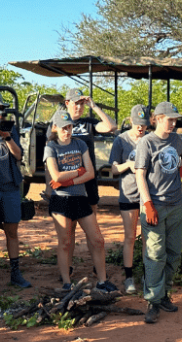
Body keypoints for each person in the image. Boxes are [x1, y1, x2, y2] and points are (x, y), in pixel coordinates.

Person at [44, 109, 117, 293]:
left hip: (81, 198)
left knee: (97, 239)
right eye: (63, 128)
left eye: (69, 127)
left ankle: (102, 280)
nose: (67, 131)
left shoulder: (80, 144)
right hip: (61, 200)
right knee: (65, 242)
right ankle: (67, 283)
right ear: (55, 128)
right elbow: (56, 176)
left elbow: (91, 173)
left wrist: (69, 180)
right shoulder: (51, 147)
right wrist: (78, 172)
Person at [134, 102, 182, 324]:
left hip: (176, 205)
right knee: (155, 255)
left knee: (174, 253)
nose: (174, 123)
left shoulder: (177, 139)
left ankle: (164, 294)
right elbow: (140, 174)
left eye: (175, 119)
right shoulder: (147, 142)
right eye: (170, 119)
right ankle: (153, 301)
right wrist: (148, 205)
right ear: (157, 119)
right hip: (154, 206)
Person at [0, 90, 32, 290]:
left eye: (0, 109)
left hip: (10, 186)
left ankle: (15, 273)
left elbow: (19, 156)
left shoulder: (9, 129)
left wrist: (8, 137)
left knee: (12, 231)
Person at [62, 89, 117, 281]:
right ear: (67, 102)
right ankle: (67, 269)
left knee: (92, 229)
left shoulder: (89, 123)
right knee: (69, 231)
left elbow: (111, 126)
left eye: (82, 103)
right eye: (75, 103)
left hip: (88, 183)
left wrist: (94, 107)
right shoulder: (60, 122)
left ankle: (97, 268)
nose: (78, 107)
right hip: (68, 184)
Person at [110, 104, 150, 295]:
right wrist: (128, 164)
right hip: (128, 194)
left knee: (147, 238)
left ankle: (147, 276)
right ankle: (128, 277)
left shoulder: (150, 140)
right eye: (138, 124)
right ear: (131, 121)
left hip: (147, 196)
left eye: (144, 125)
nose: (141, 128)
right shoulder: (121, 141)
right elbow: (113, 169)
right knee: (130, 236)